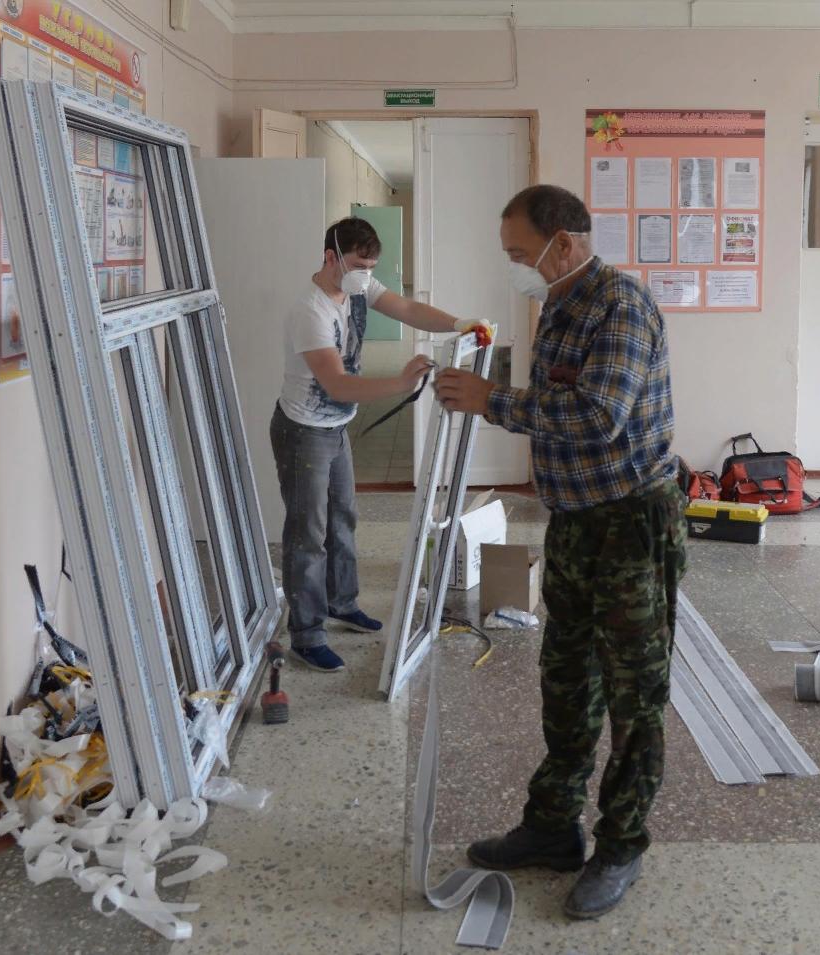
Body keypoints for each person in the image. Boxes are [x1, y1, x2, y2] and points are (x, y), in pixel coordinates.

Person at [434, 185, 687, 920]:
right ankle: (552, 826)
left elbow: (598, 415)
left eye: (521, 252)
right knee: (568, 681)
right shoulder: (559, 305)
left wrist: (491, 399)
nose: (515, 265)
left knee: (635, 694)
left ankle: (622, 844)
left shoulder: (620, 307)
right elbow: (559, 409)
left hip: (632, 524)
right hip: (575, 522)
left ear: (564, 244)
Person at [272, 216, 488, 673]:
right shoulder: (310, 312)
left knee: (343, 519)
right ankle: (306, 636)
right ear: (330, 257)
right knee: (308, 534)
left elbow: (407, 308)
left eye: (370, 268)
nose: (365, 275)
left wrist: (459, 323)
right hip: (303, 431)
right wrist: (401, 383)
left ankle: (342, 603)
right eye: (358, 265)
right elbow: (337, 385)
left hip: (335, 428)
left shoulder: (357, 287)